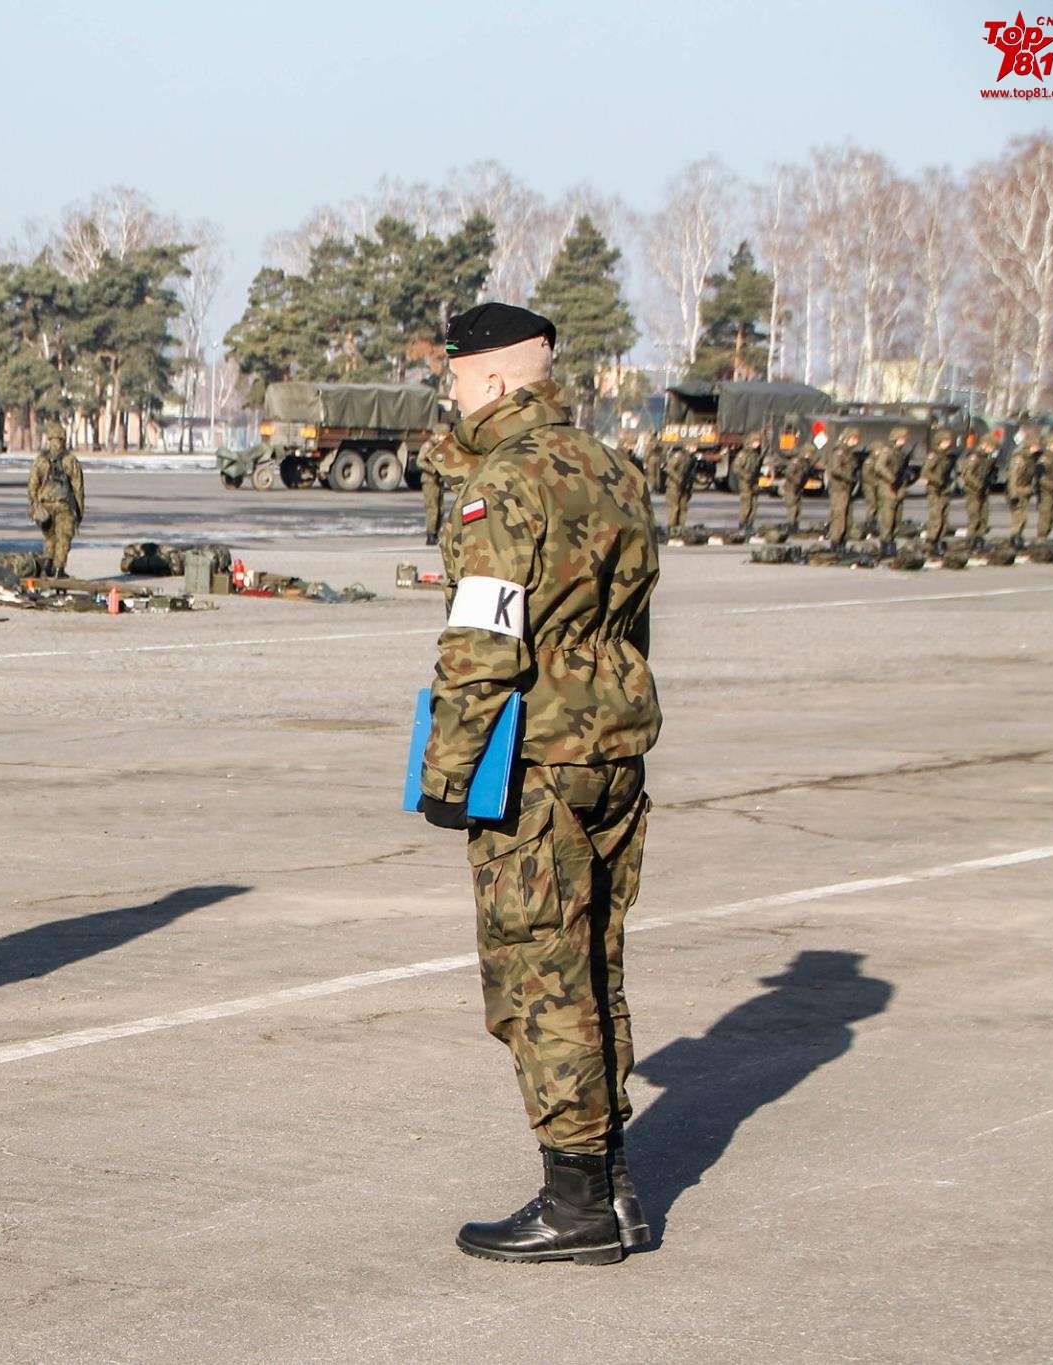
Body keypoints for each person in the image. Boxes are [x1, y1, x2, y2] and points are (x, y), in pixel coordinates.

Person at [416, 301, 659, 1267]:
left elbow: (481, 639)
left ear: (497, 379)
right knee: (596, 960)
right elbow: (631, 618)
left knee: (539, 973)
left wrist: (449, 768)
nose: (451, 391)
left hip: (538, 759)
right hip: (612, 746)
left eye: (459, 377)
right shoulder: (613, 468)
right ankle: (616, 1184)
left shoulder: (505, 482)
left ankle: (577, 1206)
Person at [28, 429, 85, 573]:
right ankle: (59, 568)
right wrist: (79, 512)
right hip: (63, 506)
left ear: (49, 439)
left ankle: (48, 563)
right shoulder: (71, 460)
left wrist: (34, 506)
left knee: (49, 536)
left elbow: (32, 486)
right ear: (64, 439)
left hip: (45, 507)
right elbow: (78, 488)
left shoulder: (40, 460)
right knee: (63, 538)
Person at [867, 428, 911, 542]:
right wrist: (891, 478)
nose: (904, 441)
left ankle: (892, 538)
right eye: (901, 438)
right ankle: (885, 542)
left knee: (897, 517)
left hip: (898, 487)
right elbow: (879, 467)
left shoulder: (901, 454)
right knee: (888, 517)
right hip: (887, 487)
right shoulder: (887, 452)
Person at [823, 429, 863, 546]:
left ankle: (843, 541)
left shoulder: (848, 453)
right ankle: (836, 542)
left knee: (847, 517)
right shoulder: (839, 453)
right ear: (846, 439)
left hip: (847, 489)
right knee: (838, 516)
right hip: (839, 489)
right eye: (853, 438)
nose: (856, 441)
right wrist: (849, 478)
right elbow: (835, 470)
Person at [920, 432, 959, 547]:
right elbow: (925, 472)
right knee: (935, 518)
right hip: (935, 490)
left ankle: (939, 540)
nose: (947, 444)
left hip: (944, 490)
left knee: (944, 518)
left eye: (948, 441)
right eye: (944, 442)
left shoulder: (947, 456)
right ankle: (931, 541)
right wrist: (938, 480)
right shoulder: (933, 456)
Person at [958, 434, 996, 544]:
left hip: (983, 490)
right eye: (991, 447)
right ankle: (970, 540)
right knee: (974, 517)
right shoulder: (975, 457)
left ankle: (979, 538)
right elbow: (968, 475)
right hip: (973, 491)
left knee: (984, 516)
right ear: (985, 445)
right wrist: (979, 486)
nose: (992, 450)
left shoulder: (986, 458)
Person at [729, 437, 766, 538]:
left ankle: (750, 525)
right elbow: (736, 467)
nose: (757, 444)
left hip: (754, 482)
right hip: (745, 483)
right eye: (755, 442)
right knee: (746, 505)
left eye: (758, 442)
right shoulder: (743, 454)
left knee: (754, 504)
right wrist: (745, 475)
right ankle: (742, 525)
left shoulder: (756, 454)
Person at [781, 436, 818, 535]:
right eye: (810, 453)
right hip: (791, 487)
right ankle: (791, 526)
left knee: (798, 508)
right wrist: (796, 480)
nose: (811, 455)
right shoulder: (796, 461)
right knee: (792, 507)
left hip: (799, 488)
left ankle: (795, 525)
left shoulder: (806, 463)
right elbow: (789, 473)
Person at [419, 433, 450, 546]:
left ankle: (436, 533)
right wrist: (433, 470)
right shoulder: (428, 446)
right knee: (433, 509)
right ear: (437, 434)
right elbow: (420, 462)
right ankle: (430, 535)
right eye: (443, 435)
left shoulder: (441, 446)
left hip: (439, 481)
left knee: (440, 510)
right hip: (429, 480)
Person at [661, 443, 696, 537]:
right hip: (674, 485)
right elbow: (668, 469)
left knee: (683, 507)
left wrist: (689, 486)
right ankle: (672, 527)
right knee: (674, 507)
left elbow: (690, 474)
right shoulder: (679, 456)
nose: (694, 448)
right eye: (693, 446)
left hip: (684, 486)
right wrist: (678, 478)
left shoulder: (691, 458)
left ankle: (681, 527)